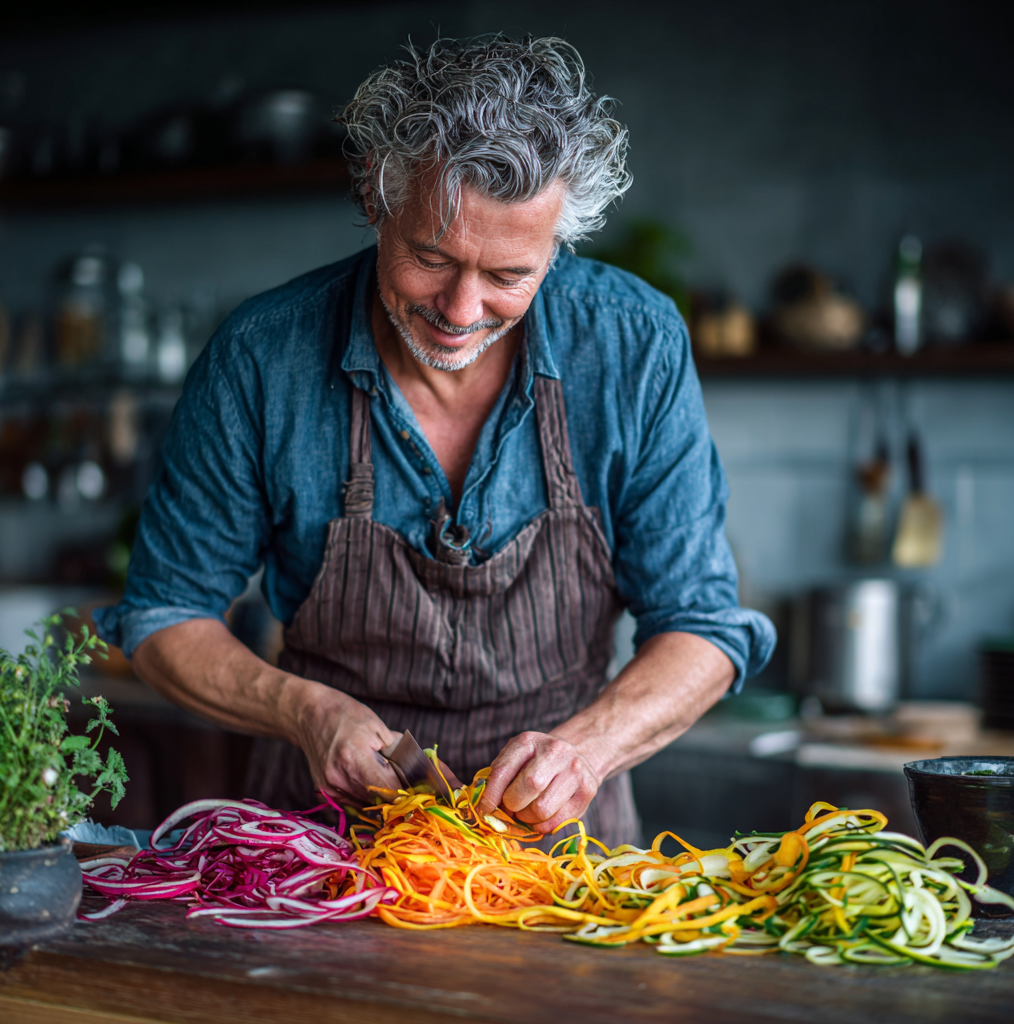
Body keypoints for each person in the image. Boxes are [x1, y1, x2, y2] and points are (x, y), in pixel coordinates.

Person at [95, 36, 775, 849]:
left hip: (562, 858)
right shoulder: (261, 358)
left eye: (509, 276)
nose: (460, 309)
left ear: (558, 244)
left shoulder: (634, 345)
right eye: (430, 258)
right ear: (377, 200)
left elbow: (702, 625)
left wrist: (585, 751)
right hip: (323, 847)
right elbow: (166, 616)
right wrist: (306, 712)